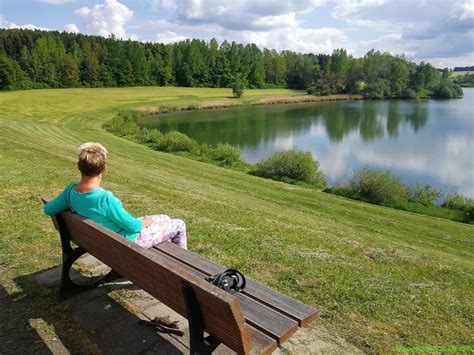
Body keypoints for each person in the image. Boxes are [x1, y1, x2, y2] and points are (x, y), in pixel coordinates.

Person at [43, 142, 187, 249]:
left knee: (166, 218)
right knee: (179, 224)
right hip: (127, 242)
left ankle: (165, 259)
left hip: (103, 241)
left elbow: (48, 209)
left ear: (78, 166)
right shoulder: (104, 198)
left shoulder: (70, 192)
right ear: (104, 168)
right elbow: (133, 227)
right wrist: (146, 221)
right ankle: (183, 264)